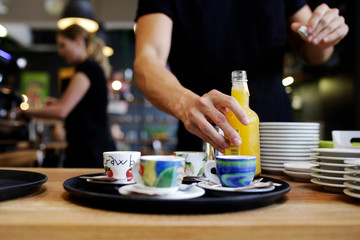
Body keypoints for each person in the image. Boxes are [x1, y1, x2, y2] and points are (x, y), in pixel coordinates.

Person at [133, 0, 349, 153]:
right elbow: (147, 60)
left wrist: (325, 36)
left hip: (278, 141)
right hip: (206, 140)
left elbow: (314, 53)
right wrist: (184, 102)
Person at [21, 24, 116, 168]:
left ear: (78, 41)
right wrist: (59, 102)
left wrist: (25, 111)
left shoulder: (86, 69)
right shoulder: (89, 68)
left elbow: (62, 110)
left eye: (63, 45)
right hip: (89, 147)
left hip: (90, 150)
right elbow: (84, 106)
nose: (60, 52)